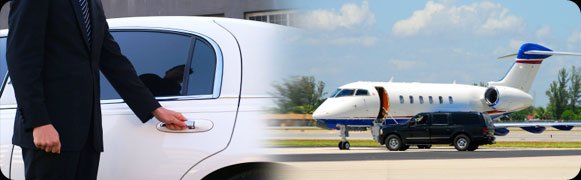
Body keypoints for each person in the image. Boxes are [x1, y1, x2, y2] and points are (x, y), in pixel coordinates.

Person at [6, 0, 188, 179]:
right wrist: (38, 122)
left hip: (88, 137)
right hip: (49, 134)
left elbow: (112, 59)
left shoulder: (92, 3)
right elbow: (21, 59)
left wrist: (154, 108)